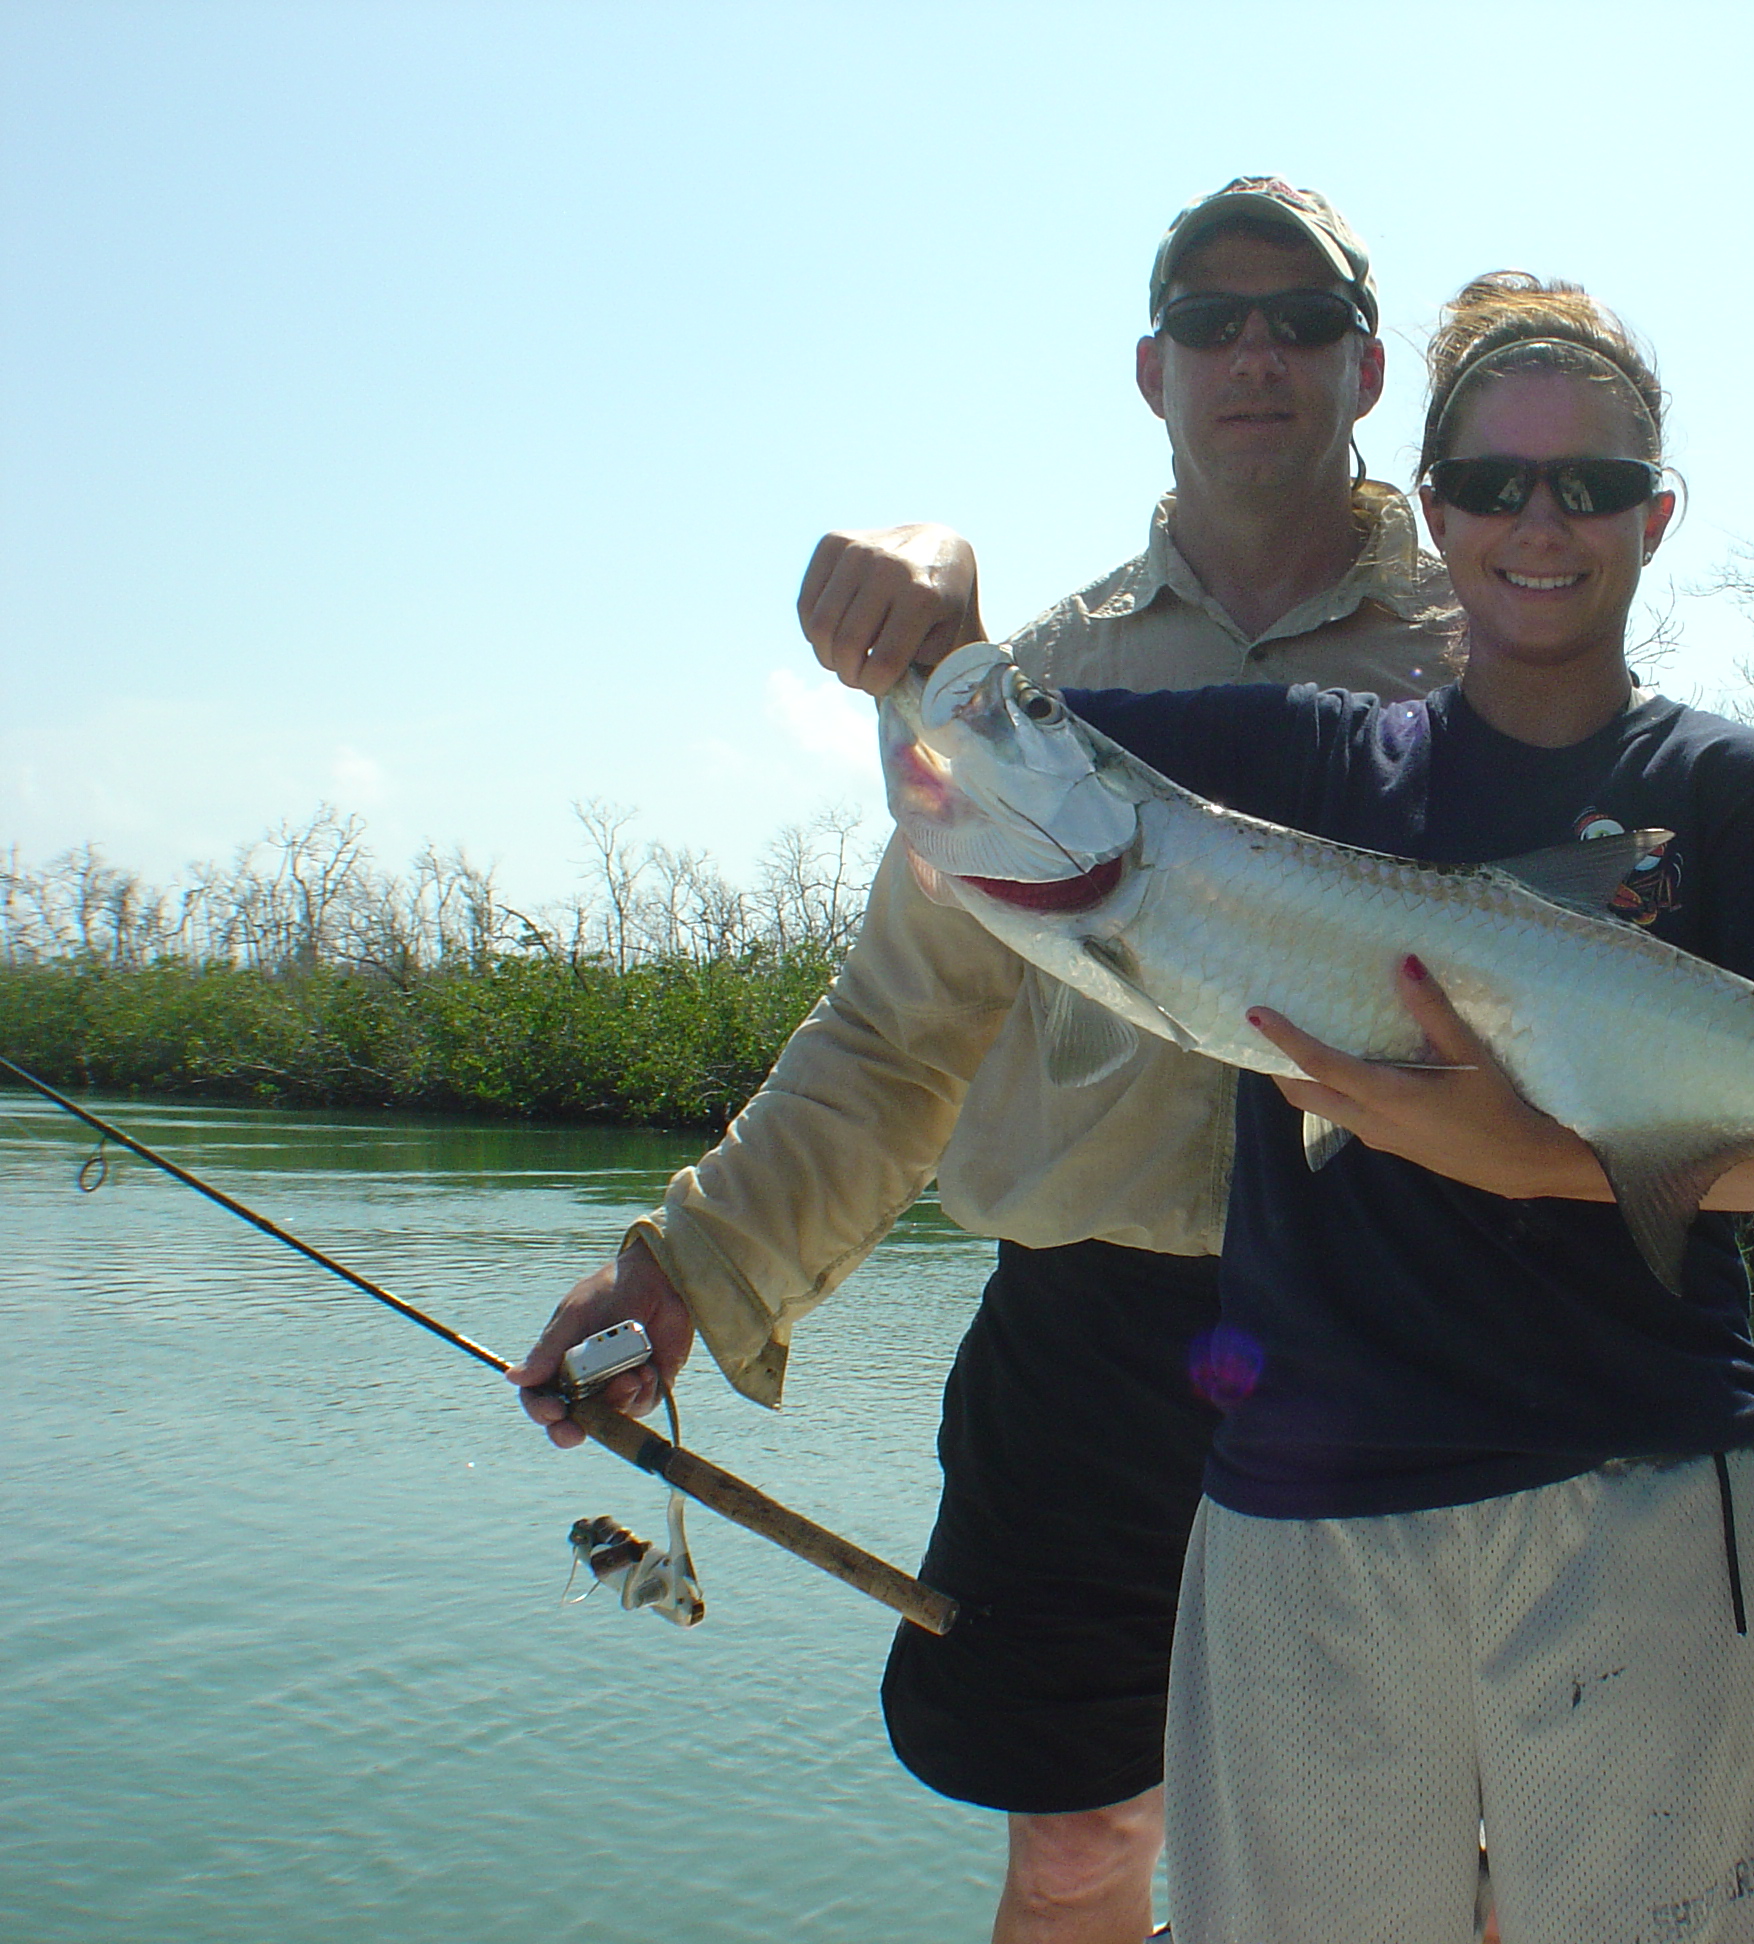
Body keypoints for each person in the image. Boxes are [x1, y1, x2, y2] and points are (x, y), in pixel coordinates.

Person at [506, 179, 1452, 1944]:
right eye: (1213, 314)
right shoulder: (1030, 689)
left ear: (1368, 366)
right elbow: (893, 1034)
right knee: (1084, 1846)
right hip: (1091, 1346)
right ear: (1149, 366)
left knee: (1446, 1860)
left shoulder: (1485, 662)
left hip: (1410, 1329)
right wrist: (680, 1270)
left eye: (1304, 316)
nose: (1259, 349)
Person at [952, 273, 1754, 1941]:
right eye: (1492, 482)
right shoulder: (1317, 765)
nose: (1539, 523)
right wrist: (924, 592)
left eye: (1593, 485)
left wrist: (1528, 1161)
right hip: (1305, 1516)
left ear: (1655, 516)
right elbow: (998, 730)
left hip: (1645, 1485)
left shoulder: (1734, 792)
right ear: (1433, 506)